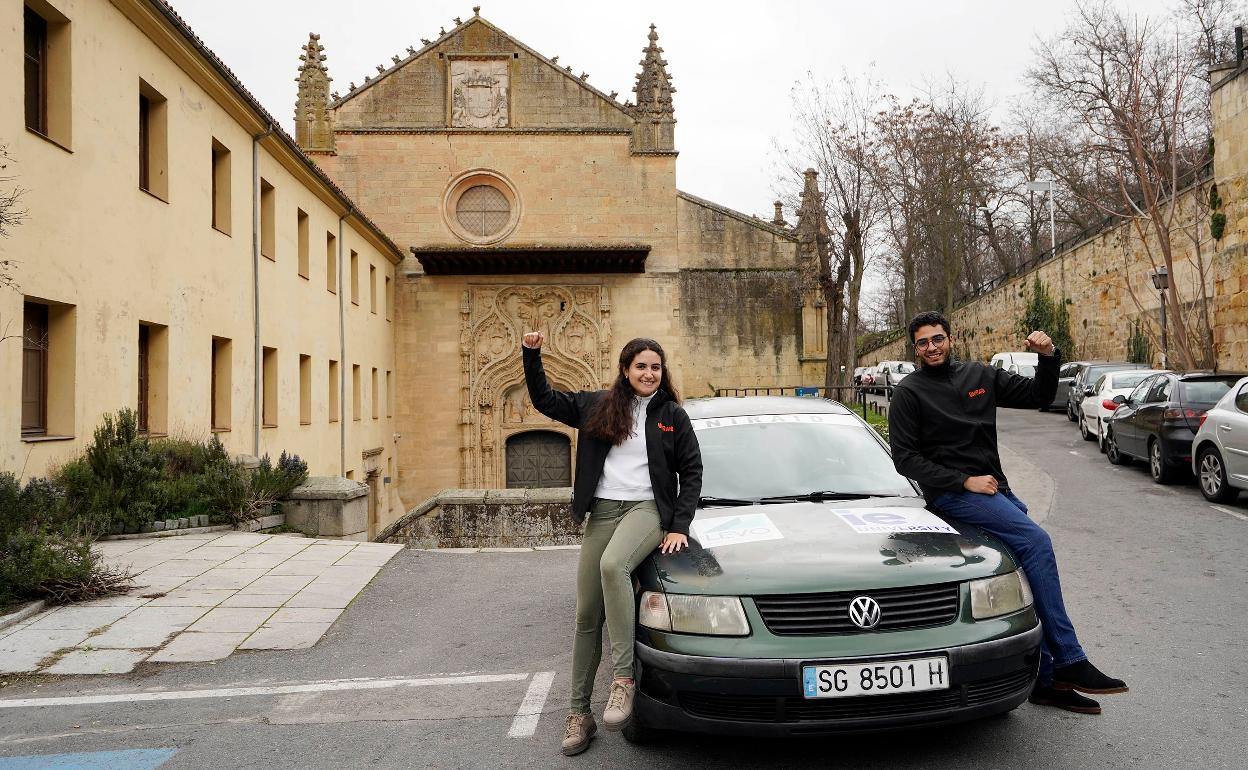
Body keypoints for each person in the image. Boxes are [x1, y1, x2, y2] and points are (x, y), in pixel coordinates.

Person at [888, 310, 1129, 715]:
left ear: (951, 338)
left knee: (1029, 565)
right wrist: (963, 481)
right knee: (1036, 542)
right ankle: (1070, 660)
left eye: (938, 339)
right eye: (923, 342)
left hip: (996, 489)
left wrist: (1049, 356)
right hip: (954, 495)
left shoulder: (980, 376)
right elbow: (905, 459)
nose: (932, 347)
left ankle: (1048, 682)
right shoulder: (909, 393)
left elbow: (1039, 396)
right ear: (915, 349)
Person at [521, 331, 702, 755]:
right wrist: (532, 355)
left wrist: (679, 525)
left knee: (612, 566)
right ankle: (579, 713)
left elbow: (691, 471)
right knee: (587, 614)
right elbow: (546, 400)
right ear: (625, 370)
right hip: (602, 511)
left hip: (646, 511)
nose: (649, 373)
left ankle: (623, 680)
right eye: (640, 366)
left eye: (655, 367)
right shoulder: (597, 406)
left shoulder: (672, 415)